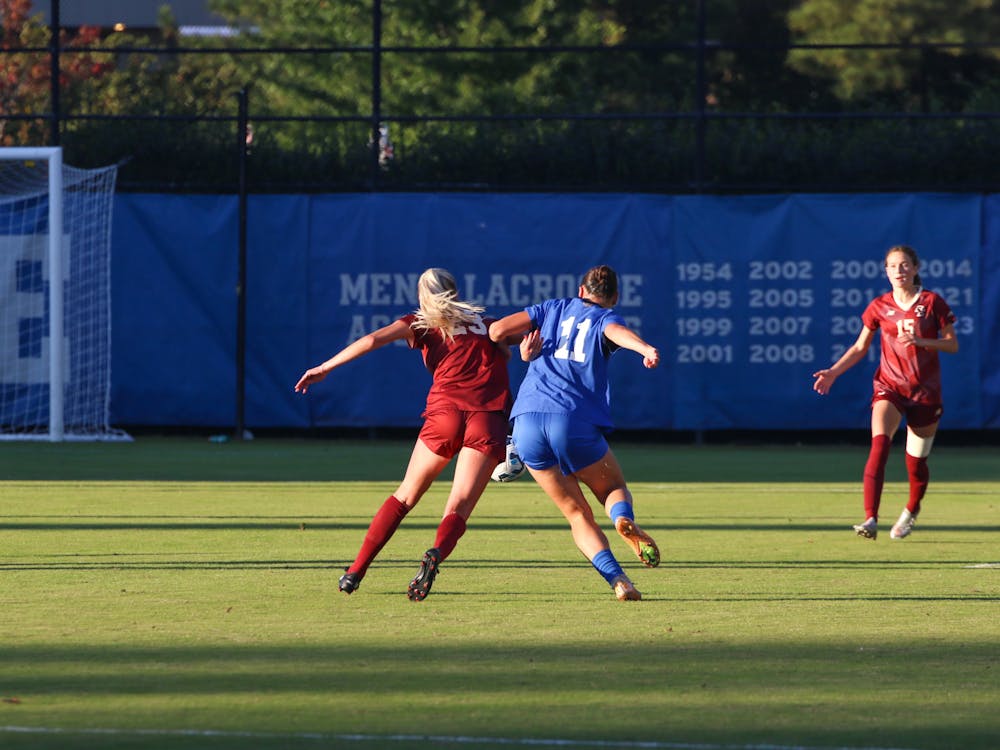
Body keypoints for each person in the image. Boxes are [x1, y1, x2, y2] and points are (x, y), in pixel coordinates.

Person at [294, 268, 512, 600]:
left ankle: (355, 571)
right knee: (459, 506)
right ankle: (436, 553)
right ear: (454, 291)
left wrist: (325, 367)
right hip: (487, 417)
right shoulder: (489, 323)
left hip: (445, 414)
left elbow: (371, 340)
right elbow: (514, 346)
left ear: (424, 295)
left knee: (405, 495)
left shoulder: (420, 321)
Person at [488, 264, 661, 601]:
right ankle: (623, 519)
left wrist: (524, 350)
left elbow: (496, 331)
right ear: (613, 297)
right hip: (572, 421)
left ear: (581, 291)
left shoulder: (551, 309)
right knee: (613, 487)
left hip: (527, 423)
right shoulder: (604, 318)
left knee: (576, 514)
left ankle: (619, 581)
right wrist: (644, 349)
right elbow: (615, 331)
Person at [812, 245, 958, 540]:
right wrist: (833, 372)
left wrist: (920, 340)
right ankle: (870, 518)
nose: (899, 271)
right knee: (879, 445)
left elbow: (952, 344)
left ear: (915, 268)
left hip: (924, 392)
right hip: (889, 386)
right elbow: (859, 347)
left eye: (905, 265)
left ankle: (912, 509)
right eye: (893, 266)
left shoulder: (931, 303)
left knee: (915, 464)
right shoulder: (879, 306)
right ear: (886, 271)